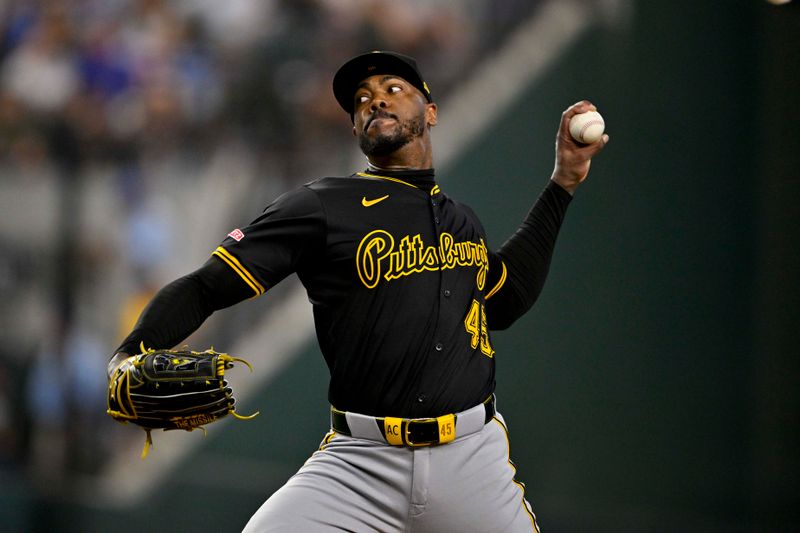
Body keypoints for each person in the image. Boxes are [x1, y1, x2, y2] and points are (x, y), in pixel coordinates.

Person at [108, 51, 608, 532]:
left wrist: (564, 181)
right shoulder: (322, 206)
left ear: (430, 112)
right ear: (354, 127)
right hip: (360, 462)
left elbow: (507, 297)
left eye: (394, 89)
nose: (376, 100)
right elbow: (206, 286)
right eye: (363, 99)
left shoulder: (462, 223)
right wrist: (130, 351)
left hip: (471, 457)